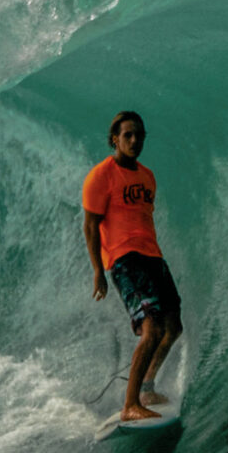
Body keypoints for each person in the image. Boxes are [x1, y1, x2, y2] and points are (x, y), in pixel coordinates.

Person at [83, 110, 183, 422]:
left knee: (173, 327)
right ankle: (130, 404)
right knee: (150, 330)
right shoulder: (101, 176)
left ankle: (147, 387)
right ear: (115, 139)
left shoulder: (147, 176)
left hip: (152, 257)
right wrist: (99, 269)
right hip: (124, 261)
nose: (134, 140)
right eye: (128, 135)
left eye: (139, 135)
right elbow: (90, 226)